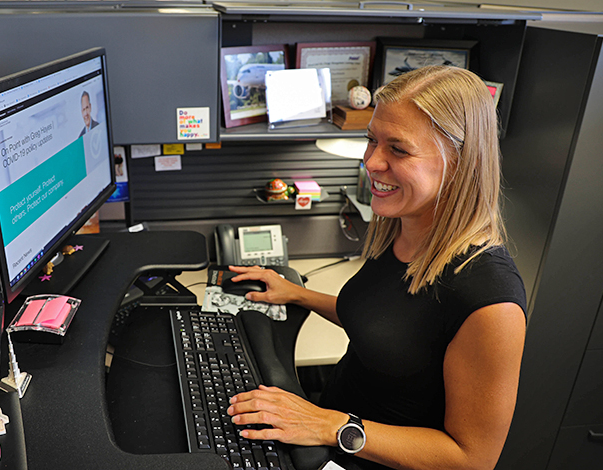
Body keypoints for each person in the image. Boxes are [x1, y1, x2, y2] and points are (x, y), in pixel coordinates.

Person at [226, 65, 527, 470]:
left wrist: (329, 425)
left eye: (398, 149)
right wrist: (297, 293)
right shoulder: (401, 230)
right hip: (327, 437)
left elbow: (472, 459)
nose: (372, 162)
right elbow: (391, 324)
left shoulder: (489, 299)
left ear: (458, 161)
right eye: (371, 140)